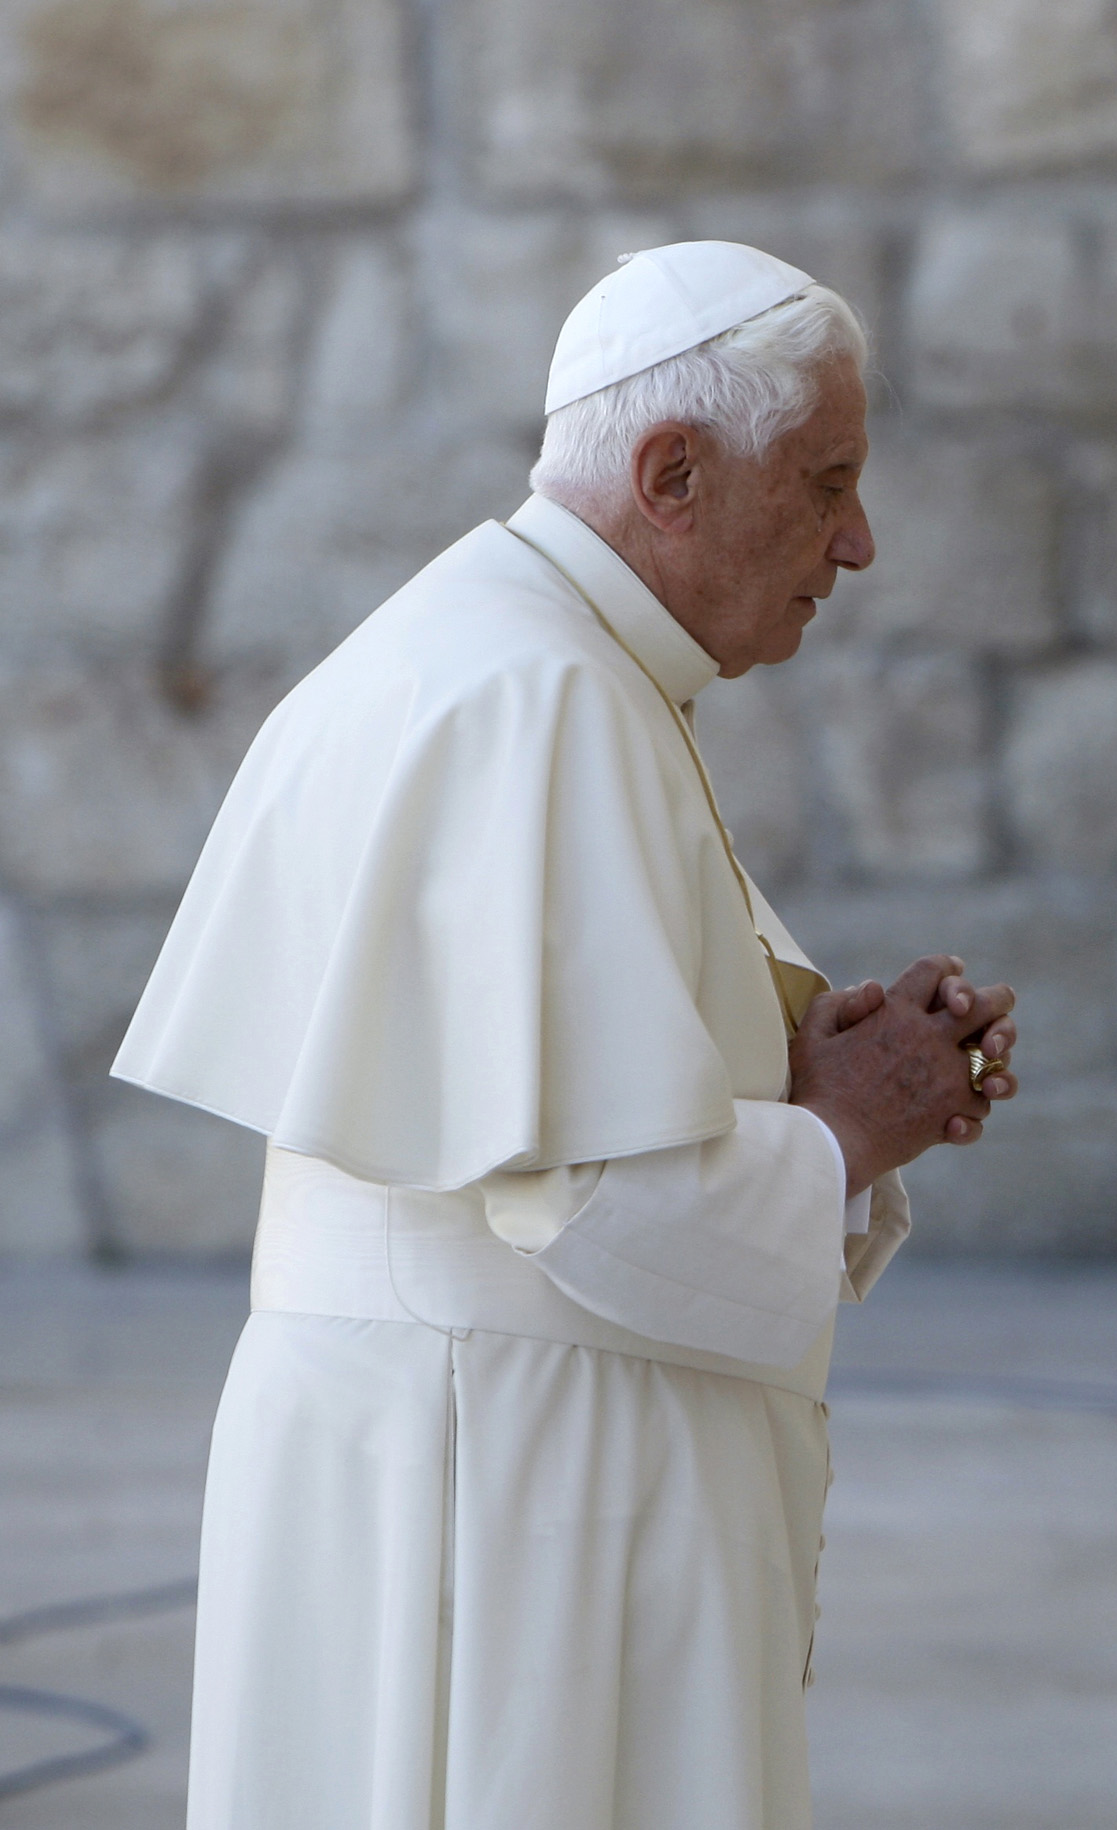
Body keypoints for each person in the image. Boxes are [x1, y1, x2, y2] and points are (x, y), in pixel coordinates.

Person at [112, 242, 1014, 1829]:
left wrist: (806, 1068)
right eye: (826, 484)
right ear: (673, 475)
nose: (858, 542)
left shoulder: (520, 652)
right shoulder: (540, 694)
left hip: (463, 1451)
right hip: (510, 1488)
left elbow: (556, 1107)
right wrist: (844, 1131)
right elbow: (597, 1201)